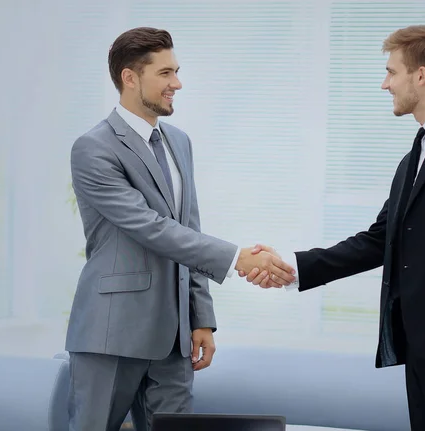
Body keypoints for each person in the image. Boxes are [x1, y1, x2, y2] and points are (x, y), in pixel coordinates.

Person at [243, 25, 425, 431]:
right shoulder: (415, 156)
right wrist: (292, 268)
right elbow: (377, 242)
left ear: (421, 75)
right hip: (421, 340)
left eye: (392, 72)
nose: (384, 84)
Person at [66, 27, 295, 431]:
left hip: (175, 339)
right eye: (166, 73)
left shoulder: (179, 142)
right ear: (130, 77)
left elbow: (188, 229)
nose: (177, 83)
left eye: (177, 71)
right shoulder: (94, 147)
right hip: (112, 332)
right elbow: (150, 228)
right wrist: (237, 257)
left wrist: (201, 317)